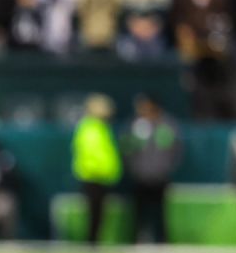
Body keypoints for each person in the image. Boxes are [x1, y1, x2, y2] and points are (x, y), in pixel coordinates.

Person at [124, 95, 181, 244]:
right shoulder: (136, 125)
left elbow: (175, 150)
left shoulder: (167, 125)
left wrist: (165, 169)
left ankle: (162, 242)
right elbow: (128, 149)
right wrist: (135, 169)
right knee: (138, 213)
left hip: (160, 177)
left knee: (160, 213)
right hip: (140, 176)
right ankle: (136, 241)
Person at [72, 94, 122, 245]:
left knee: (99, 213)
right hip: (93, 176)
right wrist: (102, 171)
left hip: (101, 176)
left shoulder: (101, 128)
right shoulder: (90, 128)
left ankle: (94, 240)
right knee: (94, 212)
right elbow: (94, 153)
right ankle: (92, 241)